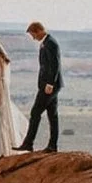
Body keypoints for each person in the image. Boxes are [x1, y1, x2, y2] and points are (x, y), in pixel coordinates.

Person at [20, 21, 63, 152]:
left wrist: (50, 83)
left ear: (39, 31)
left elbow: (54, 65)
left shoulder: (50, 43)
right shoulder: (46, 42)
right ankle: (52, 145)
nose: (33, 38)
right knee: (52, 115)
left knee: (35, 112)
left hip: (50, 86)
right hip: (47, 85)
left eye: (33, 35)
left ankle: (28, 143)